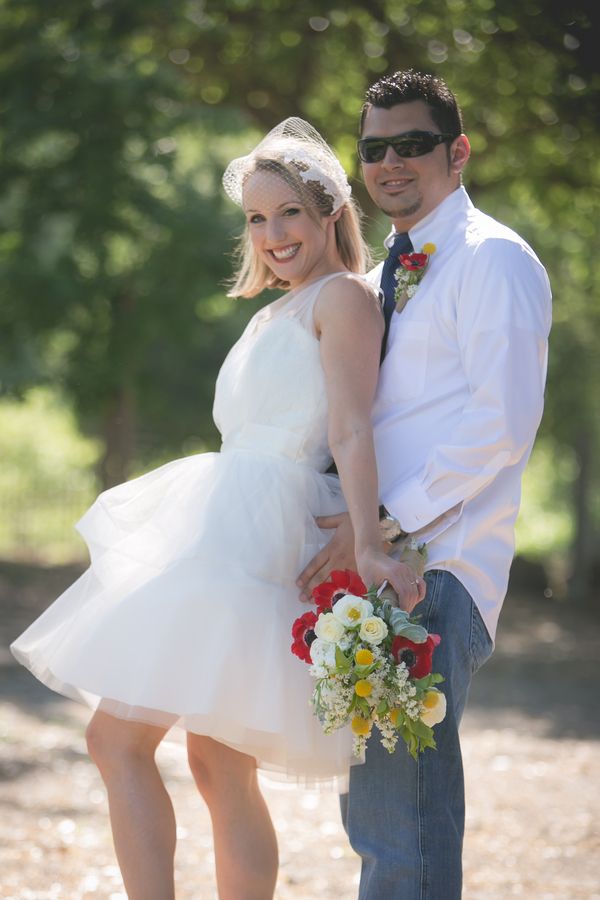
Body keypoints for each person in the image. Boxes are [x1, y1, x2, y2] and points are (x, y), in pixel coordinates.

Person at [10, 118, 424, 900]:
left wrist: (370, 541)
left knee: (118, 740)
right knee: (213, 758)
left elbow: (352, 425)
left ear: (331, 209)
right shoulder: (275, 310)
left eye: (289, 213)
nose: (272, 234)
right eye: (257, 219)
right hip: (226, 517)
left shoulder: (344, 300)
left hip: (260, 527)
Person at [297, 71, 552, 899]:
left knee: (404, 829)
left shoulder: (494, 261)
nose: (391, 163)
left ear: (458, 150)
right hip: (377, 570)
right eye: (374, 148)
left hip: (436, 572)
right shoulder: (385, 275)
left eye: (412, 144)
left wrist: (385, 519)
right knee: (378, 822)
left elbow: (502, 424)